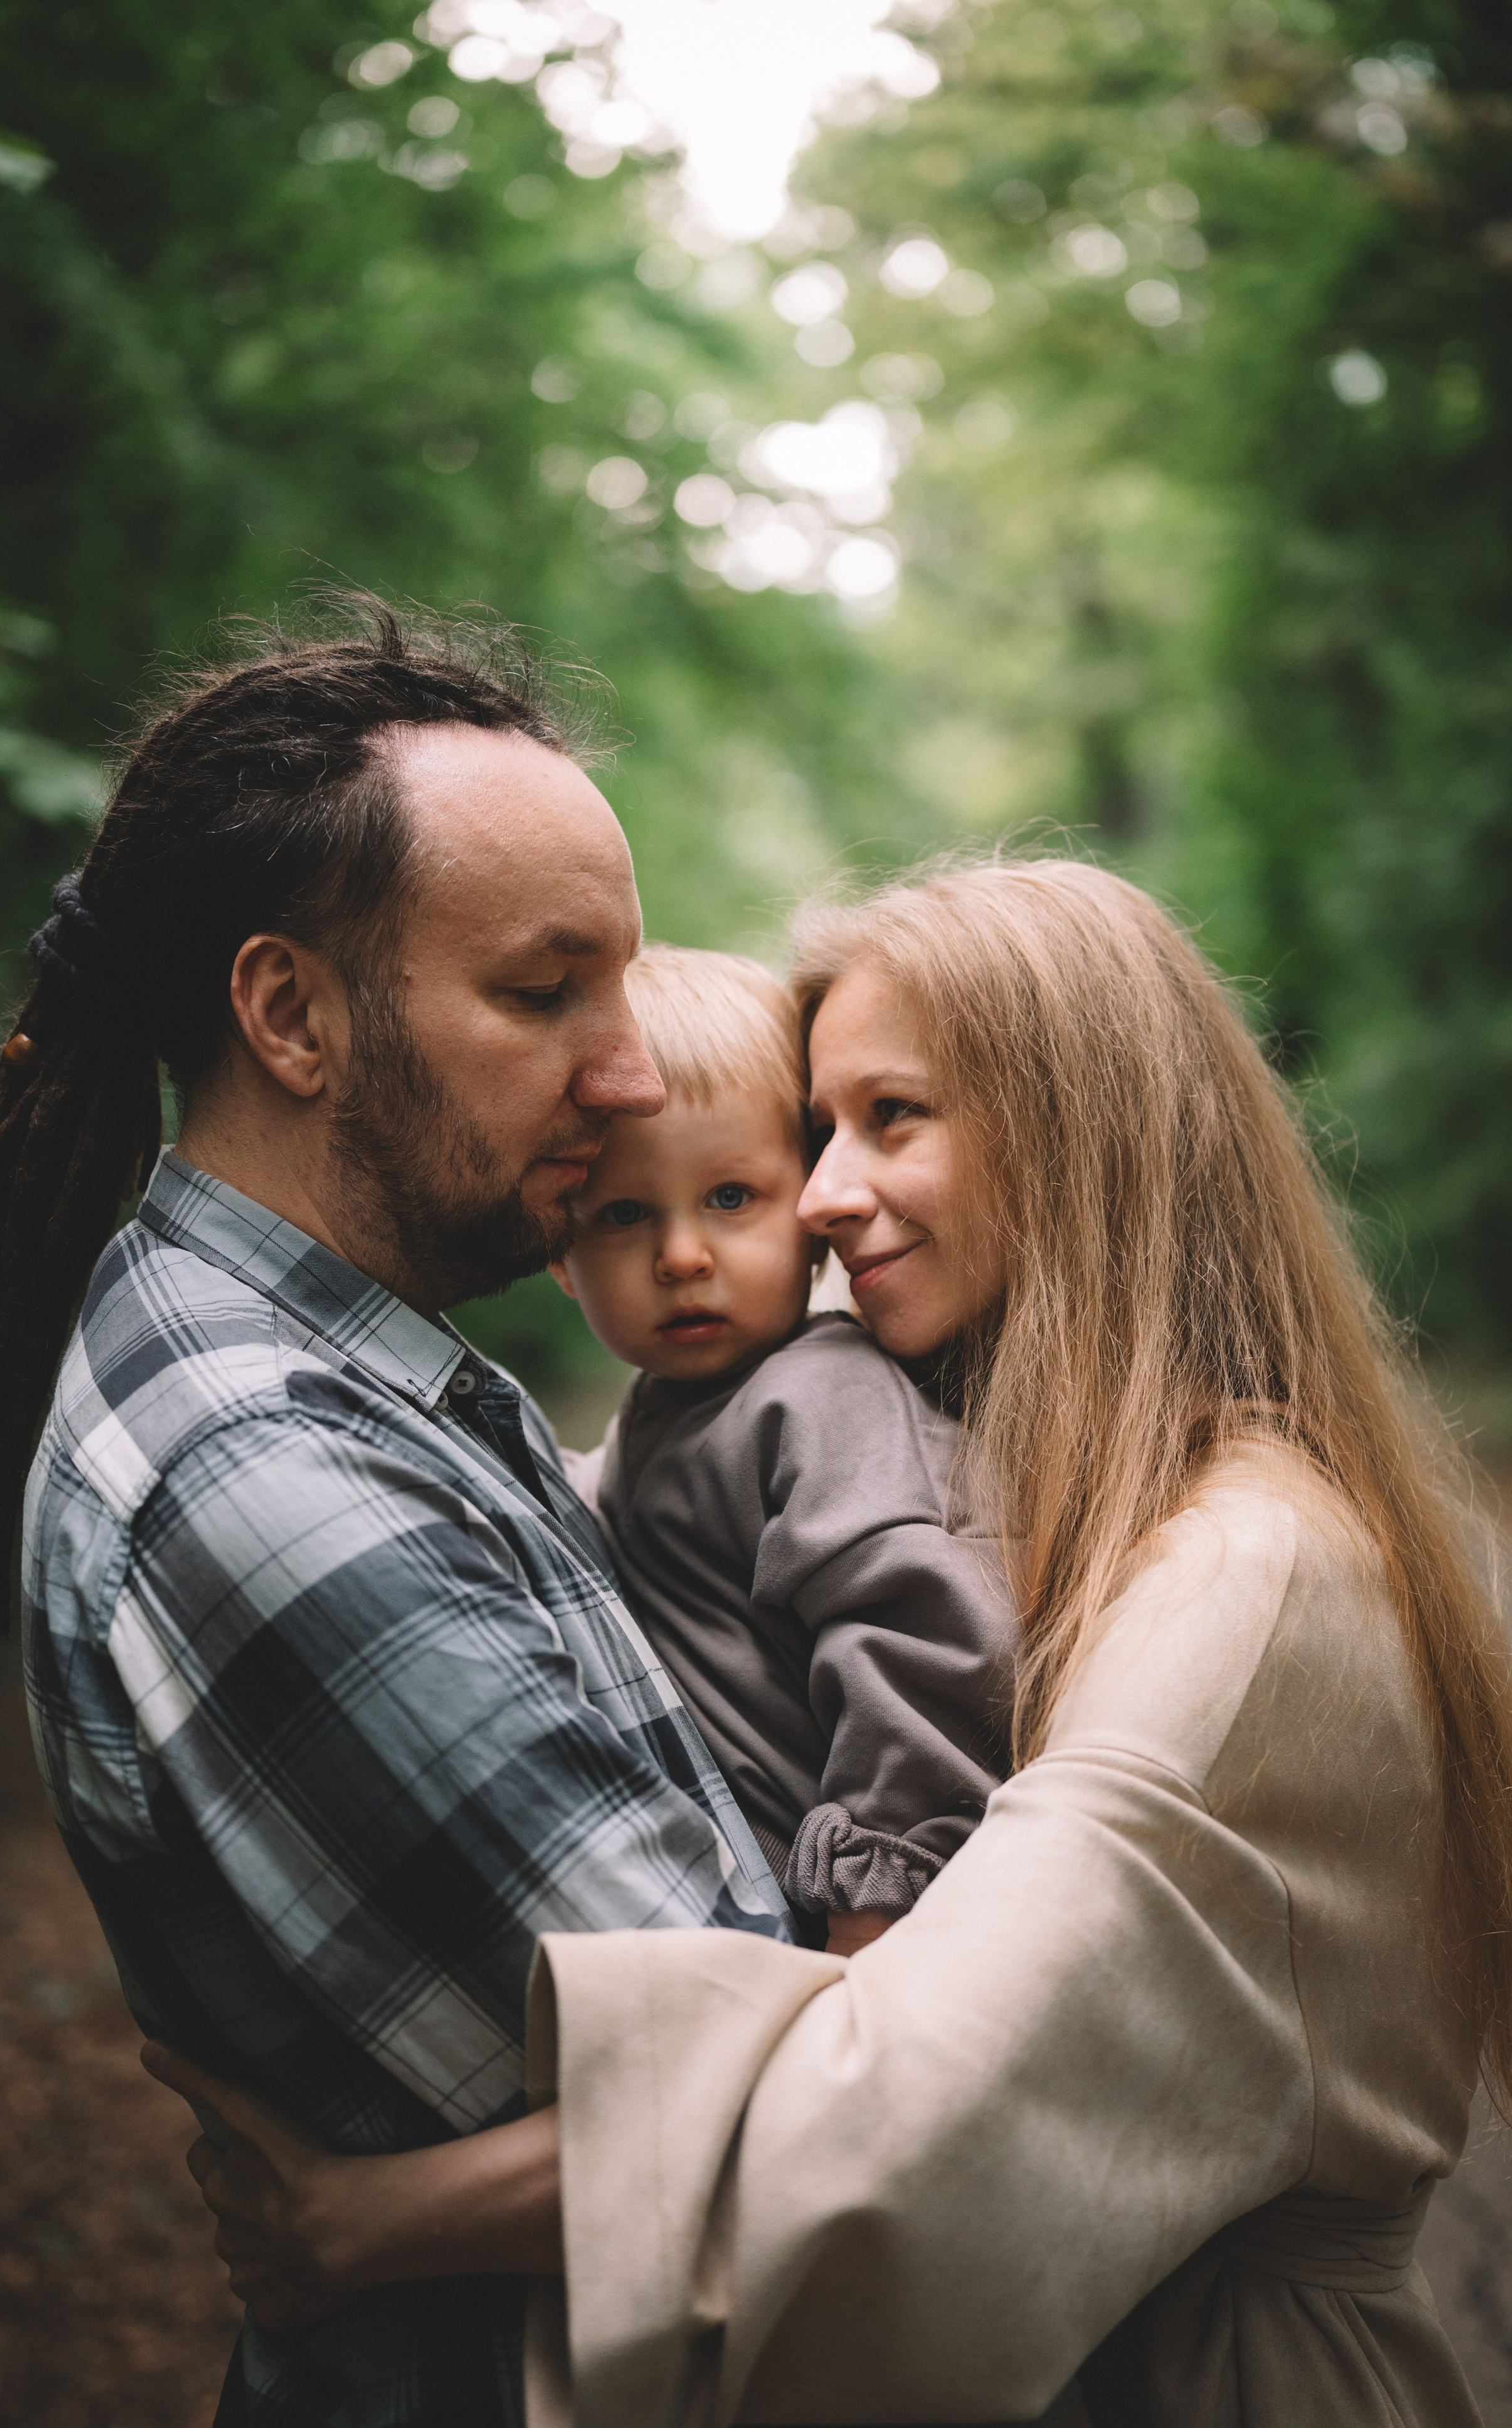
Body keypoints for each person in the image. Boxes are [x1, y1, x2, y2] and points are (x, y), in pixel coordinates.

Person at [148, 855, 1511, 2428]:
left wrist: (372, 2222)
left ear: (1078, 1130)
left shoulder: (1247, 1574)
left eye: (891, 1119)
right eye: (819, 1132)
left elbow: (914, 2119)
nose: (814, 1196)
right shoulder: (1037, 1466)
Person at [0, 599, 795, 2428]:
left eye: (622, 987)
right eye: (546, 993)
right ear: (291, 1014)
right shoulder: (258, 1464)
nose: (627, 1073)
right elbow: (804, 2094)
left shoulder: (365, 1374)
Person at [549, 942, 1018, 1958]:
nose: (682, 1257)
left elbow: (925, 1648)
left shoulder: (822, 1400)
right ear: (558, 1250)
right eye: (626, 1214)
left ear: (808, 1211)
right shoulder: (661, 1415)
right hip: (716, 1919)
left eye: (730, 1198)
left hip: (858, 1931)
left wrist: (877, 1904)